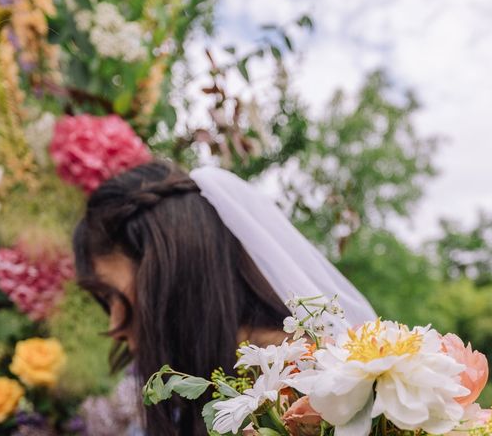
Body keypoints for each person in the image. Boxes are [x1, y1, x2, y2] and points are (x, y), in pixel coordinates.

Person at [72, 160, 375, 435]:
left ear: (172, 274)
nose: (114, 326)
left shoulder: (310, 386)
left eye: (112, 296)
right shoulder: (205, 382)